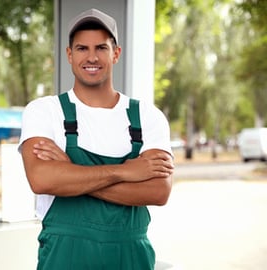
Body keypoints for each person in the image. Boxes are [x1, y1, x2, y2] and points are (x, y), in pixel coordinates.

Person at [19, 8, 174, 270]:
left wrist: (70, 172)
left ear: (116, 53)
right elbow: (42, 179)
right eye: (82, 48)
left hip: (131, 258)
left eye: (101, 47)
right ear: (69, 54)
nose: (92, 57)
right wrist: (126, 172)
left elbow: (158, 191)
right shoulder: (44, 111)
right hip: (65, 258)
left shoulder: (147, 116)